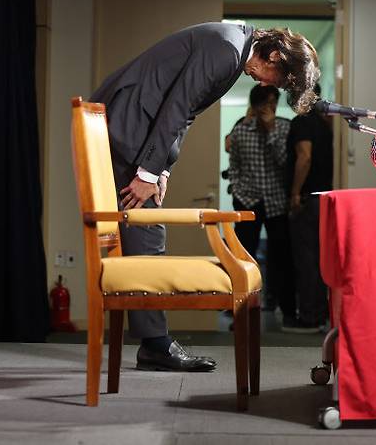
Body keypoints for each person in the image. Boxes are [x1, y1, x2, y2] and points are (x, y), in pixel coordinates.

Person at [90, 22, 320, 372]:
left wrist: (161, 168)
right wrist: (146, 172)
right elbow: (178, 104)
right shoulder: (228, 49)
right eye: (280, 78)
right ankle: (155, 345)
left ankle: (154, 342)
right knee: (147, 227)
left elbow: (186, 112)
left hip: (137, 123)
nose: (269, 85)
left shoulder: (234, 49)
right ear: (275, 55)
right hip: (129, 119)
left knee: (145, 228)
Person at [227, 84, 296, 324]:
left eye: (273, 103)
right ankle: (240, 313)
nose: (270, 108)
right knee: (244, 256)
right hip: (248, 200)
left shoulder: (286, 128)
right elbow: (234, 164)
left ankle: (288, 311)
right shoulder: (240, 131)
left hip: (277, 201)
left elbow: (286, 163)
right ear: (255, 106)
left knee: (283, 257)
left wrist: (271, 130)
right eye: (265, 104)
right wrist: (237, 188)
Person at [283, 83, 334, 333]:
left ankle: (310, 317)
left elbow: (304, 156)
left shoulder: (302, 123)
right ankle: (321, 314)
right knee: (319, 258)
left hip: (306, 199)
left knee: (306, 259)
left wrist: (294, 192)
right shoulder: (324, 124)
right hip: (324, 198)